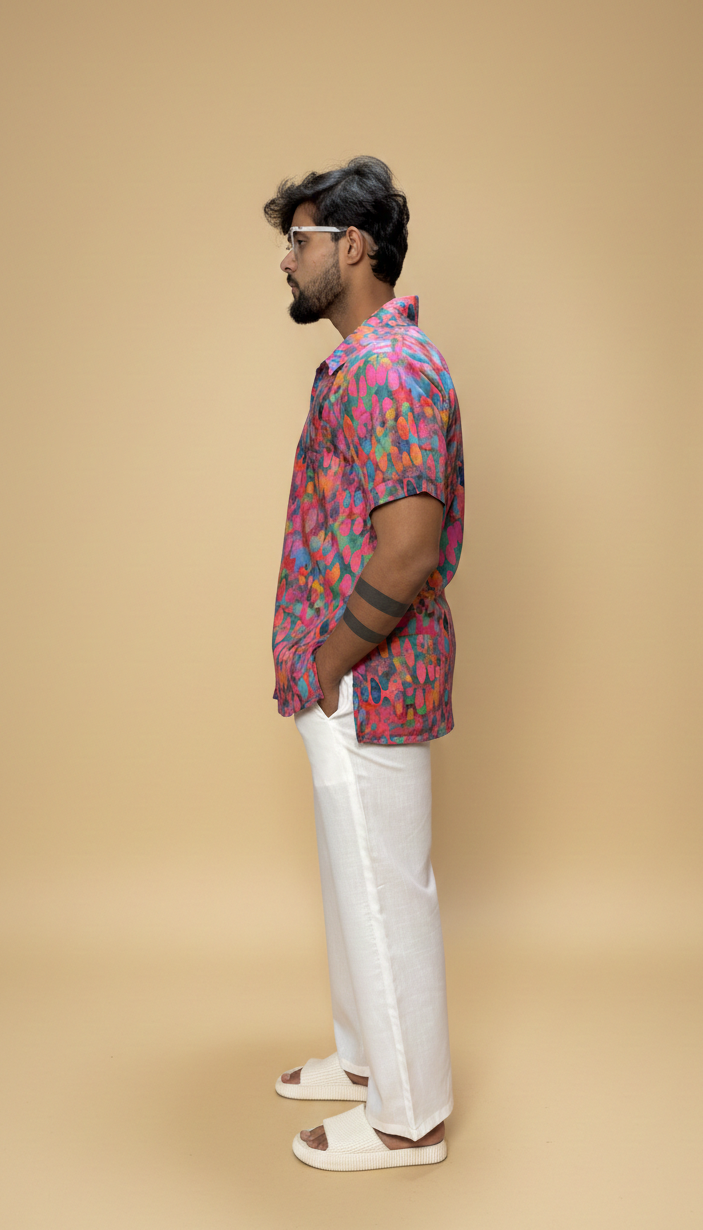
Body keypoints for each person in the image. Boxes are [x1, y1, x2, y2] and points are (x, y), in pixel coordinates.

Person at [263, 156, 464, 1172]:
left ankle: (408, 1121)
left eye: (298, 241)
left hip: (368, 678)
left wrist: (333, 661)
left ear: (351, 246)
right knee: (358, 881)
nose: (284, 262)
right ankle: (363, 1060)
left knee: (385, 893)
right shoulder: (365, 361)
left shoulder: (386, 369)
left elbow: (410, 547)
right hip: (345, 674)